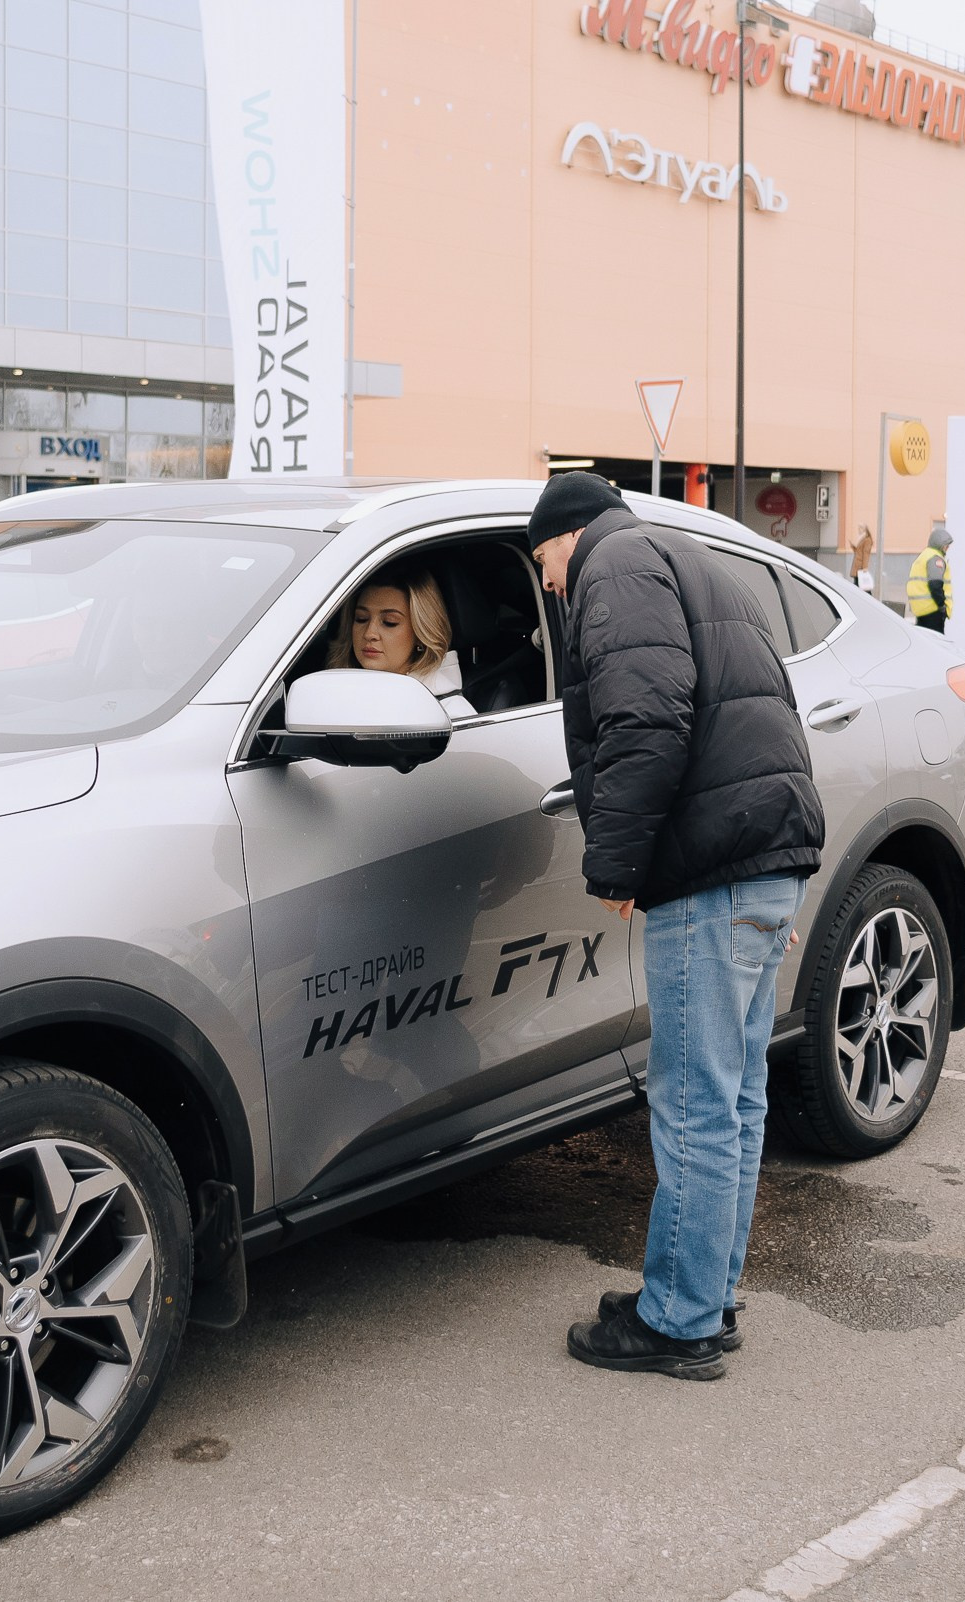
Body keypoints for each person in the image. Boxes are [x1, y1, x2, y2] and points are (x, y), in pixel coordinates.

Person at [525, 472, 824, 1381]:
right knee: (732, 1099)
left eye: (542, 563)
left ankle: (679, 1322)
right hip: (760, 858)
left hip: (712, 873)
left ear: (566, 535)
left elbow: (647, 720)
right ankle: (704, 1295)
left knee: (695, 1102)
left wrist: (616, 863)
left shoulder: (613, 567)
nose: (548, 584)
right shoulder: (687, 557)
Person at [327, 573, 476, 717]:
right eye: (361, 618)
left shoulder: (451, 715)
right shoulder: (335, 695)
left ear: (420, 634)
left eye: (390, 622)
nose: (369, 633)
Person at [906, 523, 952, 632]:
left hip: (921, 610)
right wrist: (942, 606)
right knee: (936, 641)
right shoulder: (935, 559)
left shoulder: (923, 556)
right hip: (933, 611)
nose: (947, 548)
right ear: (940, 544)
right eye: (946, 545)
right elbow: (935, 584)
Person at [851, 527, 876, 596]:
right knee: (859, 585)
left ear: (865, 529)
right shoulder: (862, 539)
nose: (859, 530)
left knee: (863, 586)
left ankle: (868, 599)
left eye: (860, 528)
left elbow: (866, 554)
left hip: (860, 567)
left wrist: (865, 567)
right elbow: (858, 552)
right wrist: (853, 546)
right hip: (857, 566)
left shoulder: (867, 540)